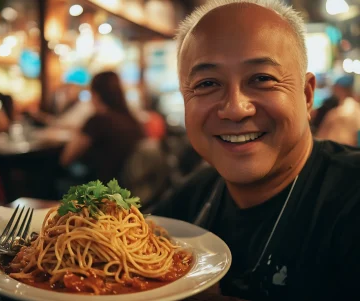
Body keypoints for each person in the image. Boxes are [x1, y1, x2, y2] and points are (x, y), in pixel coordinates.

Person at [147, 1, 360, 300]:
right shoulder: (191, 200)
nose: (235, 109)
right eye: (207, 83)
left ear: (307, 94)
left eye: (262, 79)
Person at [60, 71, 145, 184]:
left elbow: (66, 158)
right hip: (124, 189)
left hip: (97, 189)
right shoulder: (131, 120)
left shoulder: (97, 121)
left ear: (96, 95)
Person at [314, 75, 360, 146]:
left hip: (334, 149)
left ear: (339, 88)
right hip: (347, 150)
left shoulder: (340, 111)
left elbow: (323, 133)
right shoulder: (356, 108)